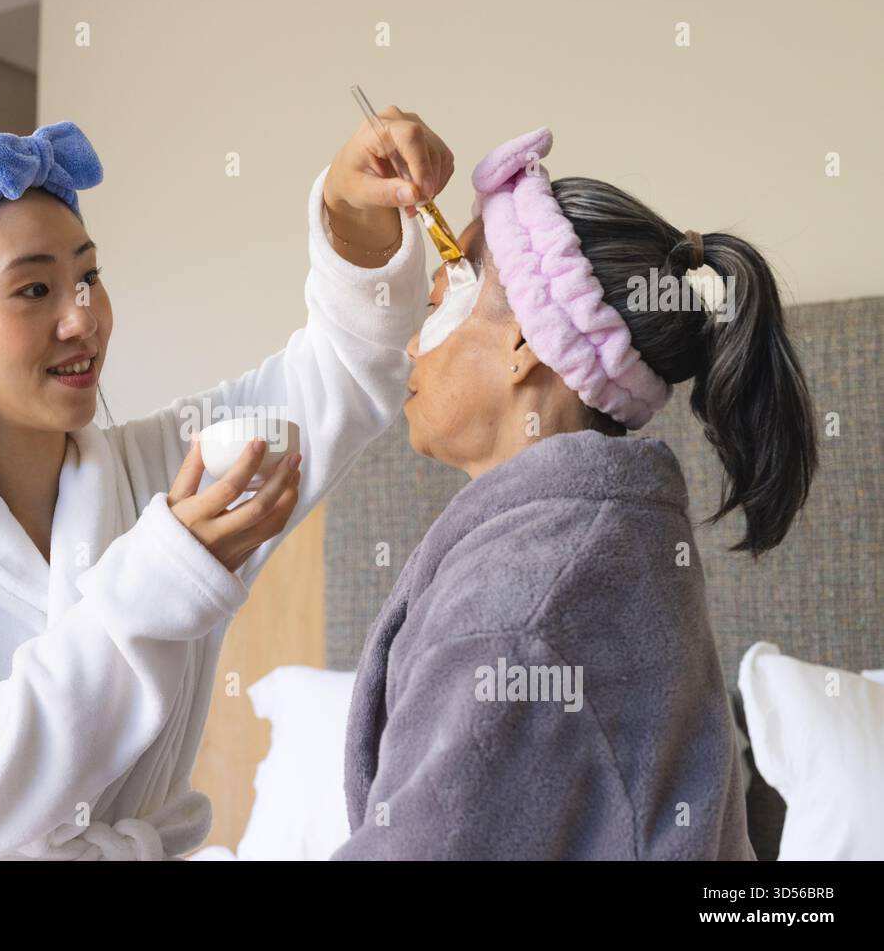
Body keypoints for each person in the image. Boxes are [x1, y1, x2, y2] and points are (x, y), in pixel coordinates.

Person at [0, 114, 454, 859]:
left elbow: (344, 371)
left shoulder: (162, 470)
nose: (82, 317)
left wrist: (349, 212)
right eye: (35, 288)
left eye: (89, 277)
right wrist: (161, 576)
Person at [332, 127, 817, 860]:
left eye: (440, 298)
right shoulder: (613, 545)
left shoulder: (517, 613)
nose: (411, 345)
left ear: (525, 341)